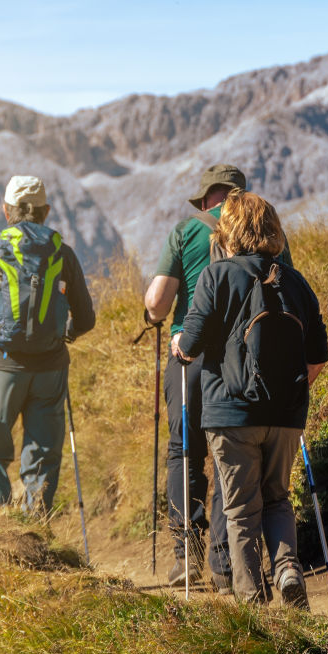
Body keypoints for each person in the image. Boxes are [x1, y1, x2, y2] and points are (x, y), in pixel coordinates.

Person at [175, 190, 328, 607]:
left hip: (230, 411)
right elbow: (318, 356)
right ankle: (287, 568)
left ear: (230, 231)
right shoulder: (295, 281)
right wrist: (290, 392)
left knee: (241, 509)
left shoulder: (216, 275)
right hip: (287, 413)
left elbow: (189, 344)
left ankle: (251, 606)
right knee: (278, 496)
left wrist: (179, 345)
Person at [0, 175, 95, 516]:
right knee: (44, 452)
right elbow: (87, 318)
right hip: (51, 367)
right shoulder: (62, 250)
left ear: (6, 210)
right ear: (46, 211)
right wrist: (66, 335)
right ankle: (37, 531)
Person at [143, 164, 252, 591]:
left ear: (208, 198)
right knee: (233, 452)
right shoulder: (262, 230)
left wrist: (154, 316)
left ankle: (186, 556)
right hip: (242, 360)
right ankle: (226, 566)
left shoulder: (185, 232)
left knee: (184, 451)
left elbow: (157, 301)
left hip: (187, 356)